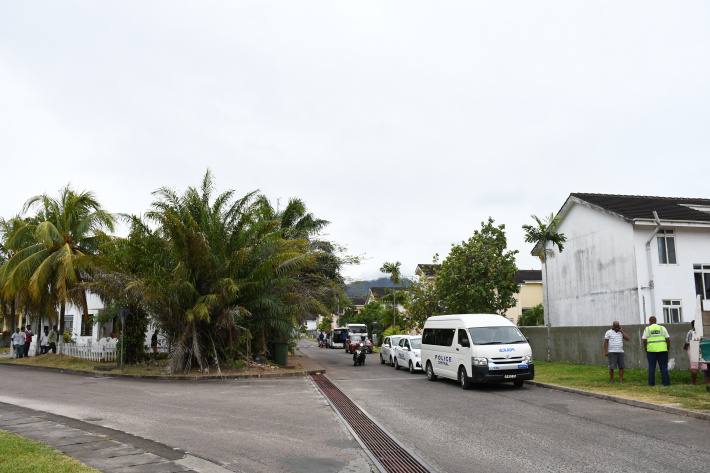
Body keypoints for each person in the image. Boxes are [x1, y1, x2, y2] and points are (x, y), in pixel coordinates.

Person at [642, 316, 671, 386]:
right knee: (663, 367)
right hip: (662, 350)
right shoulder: (662, 328)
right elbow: (668, 339)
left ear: (650, 321)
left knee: (652, 367)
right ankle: (666, 383)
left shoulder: (647, 329)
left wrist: (646, 348)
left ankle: (651, 384)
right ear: (656, 321)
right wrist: (668, 349)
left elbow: (644, 340)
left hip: (651, 351)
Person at [683, 320, 709, 386]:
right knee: (705, 367)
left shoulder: (690, 332)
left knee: (694, 367)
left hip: (693, 347)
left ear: (692, 325)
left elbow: (687, 342)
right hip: (703, 348)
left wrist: (685, 347)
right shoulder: (703, 331)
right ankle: (707, 383)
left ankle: (694, 383)